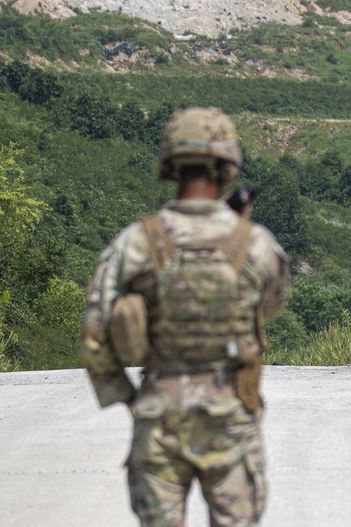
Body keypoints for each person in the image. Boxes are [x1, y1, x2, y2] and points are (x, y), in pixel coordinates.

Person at [79, 107, 290, 527]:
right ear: (227, 166)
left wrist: (127, 397)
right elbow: (270, 306)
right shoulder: (256, 243)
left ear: (170, 164)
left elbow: (94, 331)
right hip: (230, 418)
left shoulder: (138, 241)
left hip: (159, 418)